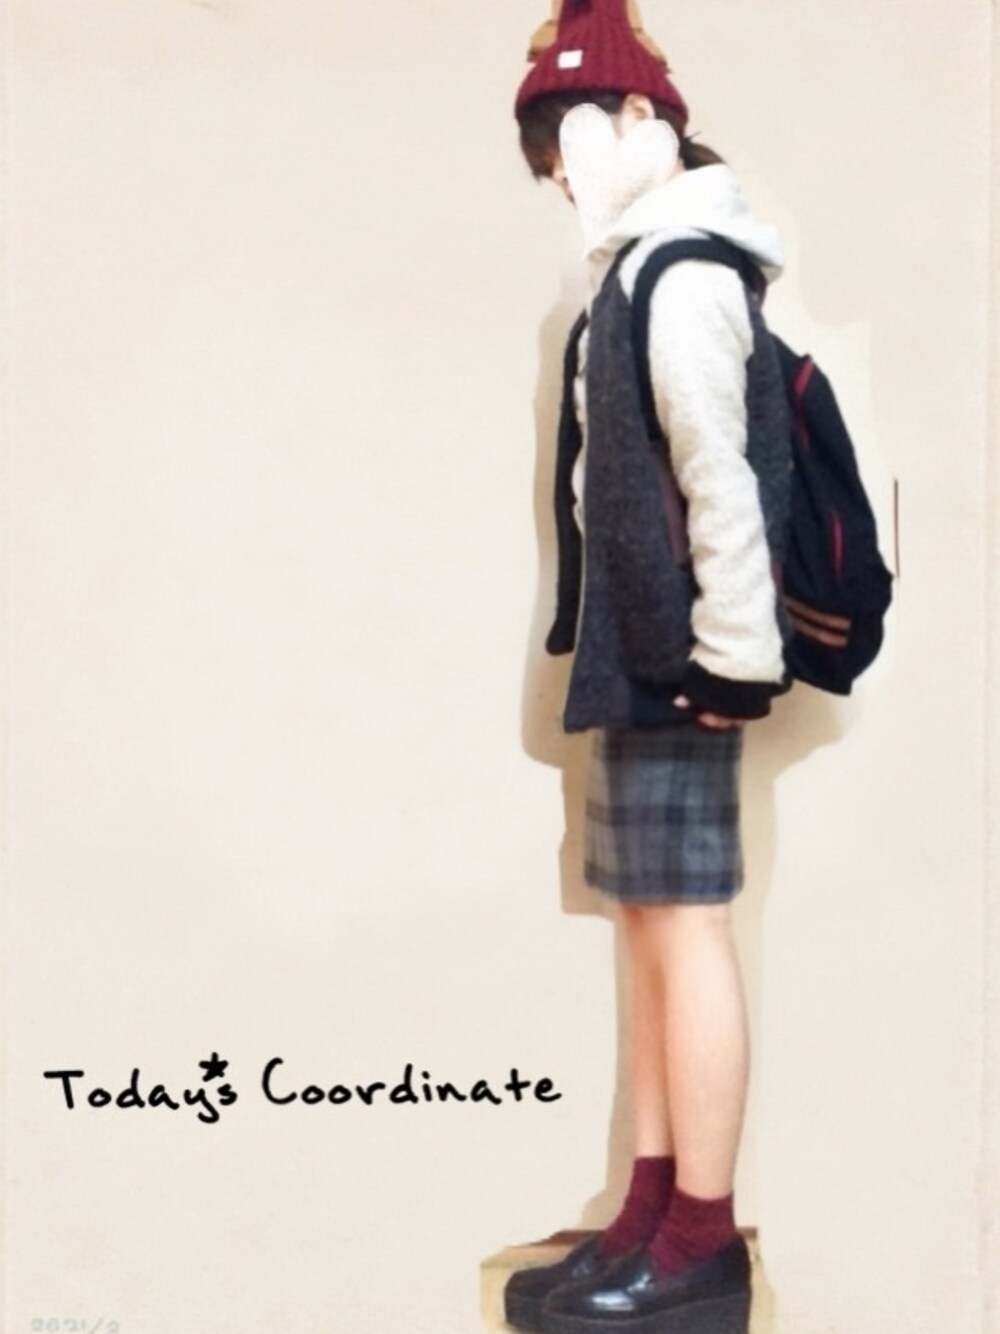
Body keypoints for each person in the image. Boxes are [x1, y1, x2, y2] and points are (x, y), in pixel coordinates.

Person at [503, 3, 793, 1332]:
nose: (564, 177)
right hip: (638, 655)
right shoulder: (636, 272)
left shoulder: (683, 273)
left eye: (572, 140)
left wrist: (730, 663)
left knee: (687, 930)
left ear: (642, 119)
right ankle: (650, 1209)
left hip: (685, 662)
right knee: (649, 932)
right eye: (546, 162)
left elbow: (722, 480)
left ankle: (702, 1243)